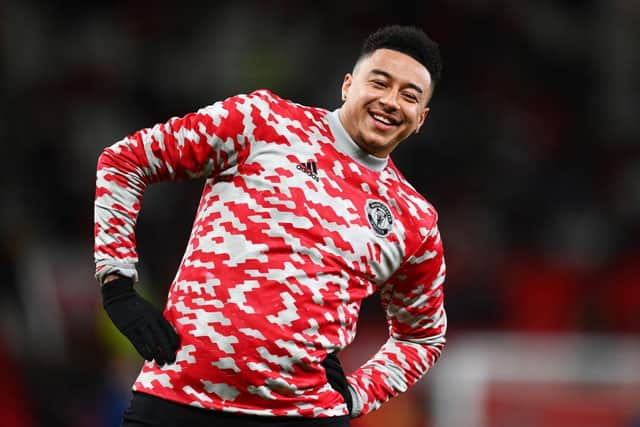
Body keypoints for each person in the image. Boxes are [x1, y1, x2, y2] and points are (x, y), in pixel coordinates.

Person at [94, 24, 447, 427]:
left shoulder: (413, 218)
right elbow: (125, 161)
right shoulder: (263, 122)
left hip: (303, 415)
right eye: (379, 82)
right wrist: (117, 286)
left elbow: (422, 336)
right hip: (179, 401)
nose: (390, 101)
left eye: (409, 96)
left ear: (421, 118)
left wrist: (357, 394)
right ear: (348, 85)